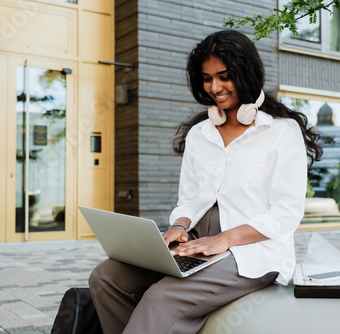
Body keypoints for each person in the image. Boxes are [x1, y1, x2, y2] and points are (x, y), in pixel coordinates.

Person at [88, 29, 322, 334]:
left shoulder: (281, 131)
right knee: (106, 276)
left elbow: (286, 212)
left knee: (162, 298)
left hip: (251, 250)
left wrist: (224, 239)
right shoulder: (201, 134)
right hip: (198, 240)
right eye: (207, 78)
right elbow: (188, 200)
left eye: (224, 76)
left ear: (246, 73)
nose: (215, 87)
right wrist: (179, 227)